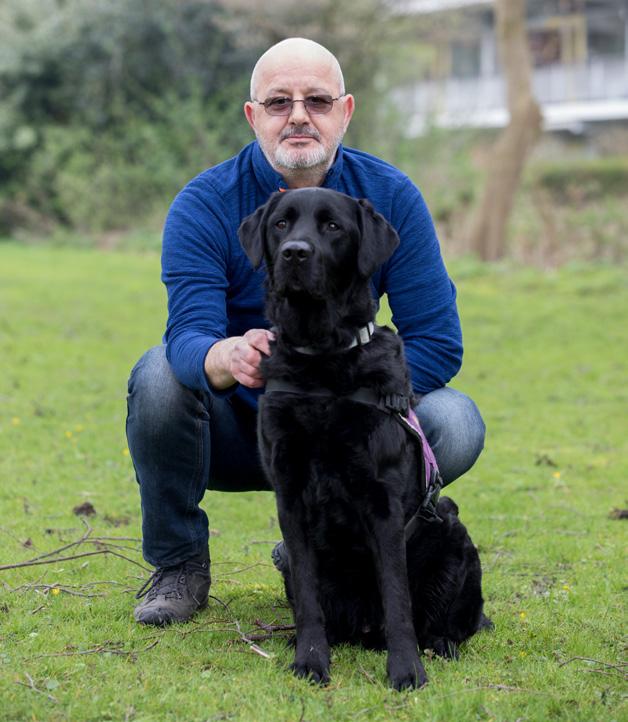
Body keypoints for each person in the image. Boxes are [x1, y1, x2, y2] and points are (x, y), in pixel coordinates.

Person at [126, 37, 485, 626]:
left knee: (456, 420)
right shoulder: (204, 203)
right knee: (159, 376)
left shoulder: (391, 196)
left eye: (316, 101)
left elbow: (437, 340)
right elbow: (188, 332)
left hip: (354, 426)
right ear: (253, 116)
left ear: (345, 111)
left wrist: (348, 389)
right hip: (246, 430)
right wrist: (224, 355)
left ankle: (320, 551)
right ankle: (179, 564)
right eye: (278, 102)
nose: (298, 116)